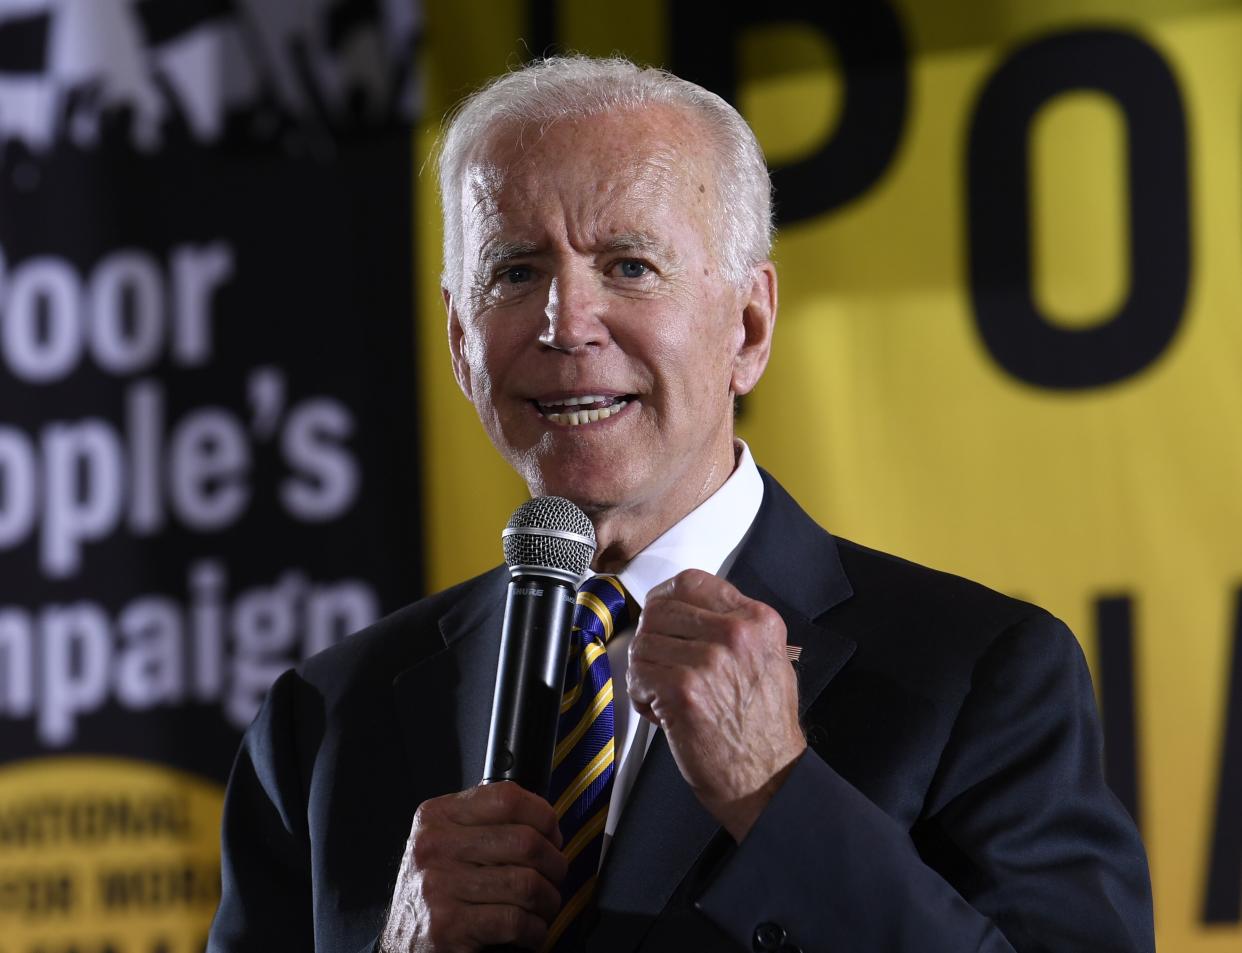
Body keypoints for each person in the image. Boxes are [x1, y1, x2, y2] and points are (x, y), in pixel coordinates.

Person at [208, 56, 1155, 953]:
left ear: (748, 326)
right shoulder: (325, 722)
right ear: (461, 342)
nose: (567, 324)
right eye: (516, 271)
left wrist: (777, 795)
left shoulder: (980, 677)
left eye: (628, 265)